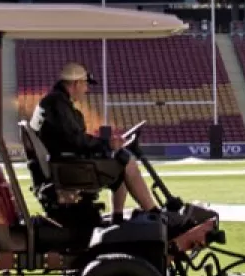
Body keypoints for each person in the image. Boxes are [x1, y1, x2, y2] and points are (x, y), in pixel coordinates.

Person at [30, 62, 157, 218]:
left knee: (120, 162)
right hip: (66, 167)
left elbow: (71, 139)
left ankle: (118, 217)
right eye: (85, 84)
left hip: (61, 163)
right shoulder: (58, 104)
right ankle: (153, 211)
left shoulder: (56, 102)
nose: (86, 90)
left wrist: (104, 145)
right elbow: (75, 141)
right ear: (76, 83)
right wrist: (107, 144)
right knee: (126, 160)